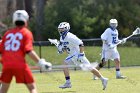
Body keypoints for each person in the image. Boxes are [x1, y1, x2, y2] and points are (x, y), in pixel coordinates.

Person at [0, 10, 52, 93]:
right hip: (20, 65)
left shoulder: (7, 34)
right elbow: (28, 51)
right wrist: (41, 63)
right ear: (26, 21)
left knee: (3, 90)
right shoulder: (26, 33)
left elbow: (1, 51)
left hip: (6, 66)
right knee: (32, 88)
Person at [56, 22, 108, 90]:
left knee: (65, 63)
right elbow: (66, 48)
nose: (60, 31)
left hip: (77, 55)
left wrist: (81, 54)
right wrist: (61, 50)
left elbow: (81, 43)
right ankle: (103, 79)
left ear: (66, 29)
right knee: (89, 68)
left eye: (62, 29)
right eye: (60, 29)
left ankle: (68, 82)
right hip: (72, 55)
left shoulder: (70, 36)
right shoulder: (62, 38)